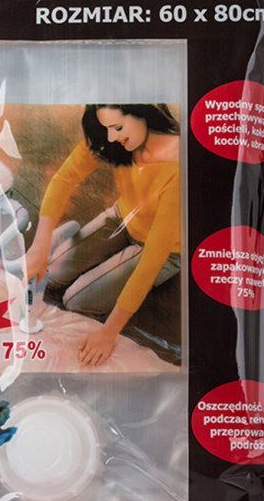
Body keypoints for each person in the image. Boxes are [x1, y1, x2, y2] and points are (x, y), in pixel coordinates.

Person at [26, 104, 181, 366]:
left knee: (76, 301)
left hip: (165, 249)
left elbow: (151, 262)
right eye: (107, 128)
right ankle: (73, 241)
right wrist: (39, 247)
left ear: (142, 113)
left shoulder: (178, 169)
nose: (111, 137)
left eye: (117, 127)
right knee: (53, 273)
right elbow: (64, 179)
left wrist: (108, 334)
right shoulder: (115, 138)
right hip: (122, 216)